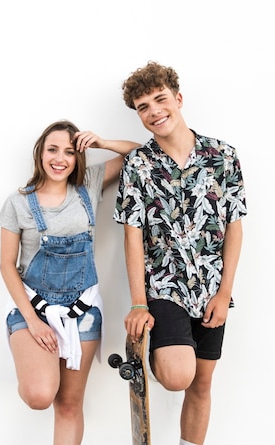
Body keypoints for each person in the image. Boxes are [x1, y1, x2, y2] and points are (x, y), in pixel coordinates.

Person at [113, 61, 247, 445]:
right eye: (143, 107)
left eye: (160, 99)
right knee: (178, 377)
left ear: (178, 98)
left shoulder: (223, 156)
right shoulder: (139, 163)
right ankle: (158, 355)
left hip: (211, 288)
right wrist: (139, 301)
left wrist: (224, 293)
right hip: (164, 287)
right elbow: (132, 235)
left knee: (202, 385)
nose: (154, 111)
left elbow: (235, 229)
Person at [0, 119, 139, 445]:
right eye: (53, 149)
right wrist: (33, 322)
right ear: (40, 153)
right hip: (33, 308)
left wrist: (101, 140)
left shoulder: (89, 184)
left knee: (70, 403)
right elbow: (6, 266)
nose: (60, 158)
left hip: (83, 308)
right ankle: (32, 366)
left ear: (79, 158)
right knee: (40, 394)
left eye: (70, 152)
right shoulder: (18, 202)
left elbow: (141, 153)